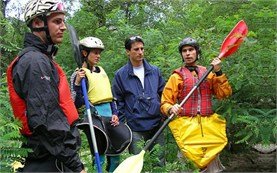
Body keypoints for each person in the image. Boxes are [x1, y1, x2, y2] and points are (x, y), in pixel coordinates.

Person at [6, 0, 85, 172]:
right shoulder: (35, 62)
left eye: (63, 21)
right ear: (37, 23)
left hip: (54, 158)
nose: (63, 27)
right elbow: (47, 123)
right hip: (50, 160)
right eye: (57, 21)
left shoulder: (41, 58)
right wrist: (76, 166)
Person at [160, 37, 232, 172]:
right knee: (187, 164)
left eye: (191, 50)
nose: (187, 53)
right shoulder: (177, 76)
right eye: (184, 51)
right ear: (181, 54)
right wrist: (171, 108)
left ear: (197, 53)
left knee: (211, 164)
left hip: (208, 126)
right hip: (187, 126)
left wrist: (218, 72)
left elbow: (224, 94)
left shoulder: (209, 73)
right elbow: (165, 102)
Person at [71, 36, 131, 172]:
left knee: (115, 154)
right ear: (85, 53)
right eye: (95, 52)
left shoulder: (102, 70)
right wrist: (77, 84)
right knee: (100, 155)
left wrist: (115, 113)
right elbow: (77, 102)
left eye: (99, 52)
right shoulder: (79, 75)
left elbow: (110, 96)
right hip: (94, 117)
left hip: (109, 115)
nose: (98, 56)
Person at [112, 35, 166, 166]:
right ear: (128, 52)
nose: (140, 52)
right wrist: (123, 121)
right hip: (135, 127)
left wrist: (164, 112)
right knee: (137, 165)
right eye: (136, 49)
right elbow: (118, 100)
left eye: (142, 48)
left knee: (159, 163)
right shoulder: (121, 74)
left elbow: (163, 93)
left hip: (156, 124)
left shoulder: (154, 71)